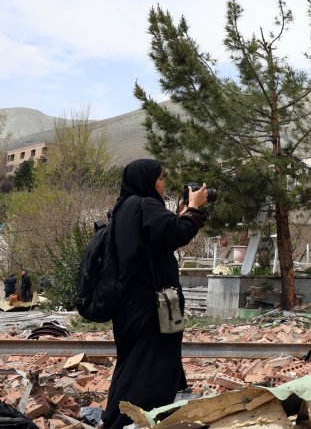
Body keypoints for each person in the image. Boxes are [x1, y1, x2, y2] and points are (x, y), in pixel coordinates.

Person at [101, 159, 207, 429]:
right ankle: (126, 421)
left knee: (136, 363)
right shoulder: (145, 205)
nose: (163, 184)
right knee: (149, 367)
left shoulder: (125, 208)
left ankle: (125, 418)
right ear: (147, 181)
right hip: (149, 307)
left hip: (130, 306)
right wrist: (194, 208)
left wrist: (180, 213)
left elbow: (158, 237)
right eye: (160, 179)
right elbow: (177, 234)